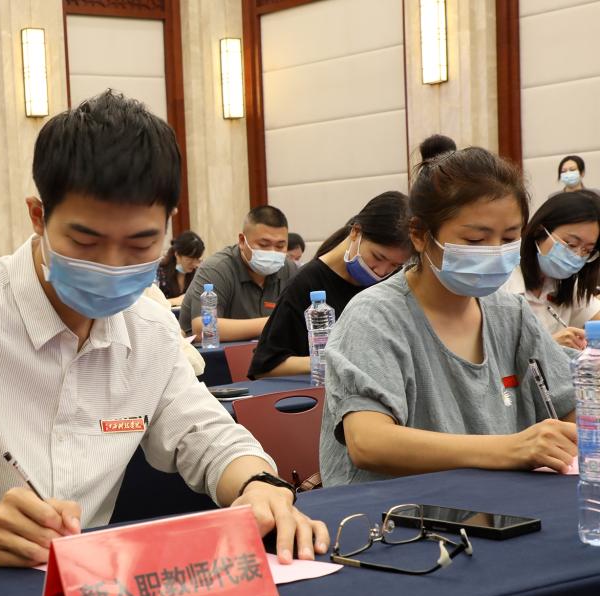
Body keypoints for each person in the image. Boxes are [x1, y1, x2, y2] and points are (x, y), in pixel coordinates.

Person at [0, 90, 328, 567]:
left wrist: (258, 485)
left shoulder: (150, 328)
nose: (112, 264)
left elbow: (206, 434)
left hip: (79, 590)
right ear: (38, 215)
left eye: (140, 244)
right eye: (86, 242)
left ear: (167, 226)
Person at [319, 147, 578, 488]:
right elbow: (368, 442)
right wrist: (512, 449)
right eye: (475, 239)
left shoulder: (511, 315)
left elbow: (570, 407)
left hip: (498, 505)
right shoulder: (375, 316)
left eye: (509, 238)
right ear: (419, 235)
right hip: (401, 514)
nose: (495, 252)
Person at [248, 191, 412, 378]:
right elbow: (265, 368)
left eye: (394, 265)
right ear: (356, 232)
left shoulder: (396, 283)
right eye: (378, 257)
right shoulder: (307, 284)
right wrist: (330, 360)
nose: (381, 272)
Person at [178, 206, 299, 341]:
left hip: (265, 351)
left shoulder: (288, 269)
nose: (272, 252)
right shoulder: (216, 268)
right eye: (264, 244)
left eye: (280, 246)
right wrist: (273, 322)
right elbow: (204, 328)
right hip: (211, 352)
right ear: (242, 241)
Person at [502, 191, 600, 350]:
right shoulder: (501, 280)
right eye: (571, 244)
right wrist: (549, 345)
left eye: (587, 250)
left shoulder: (565, 284)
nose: (577, 256)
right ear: (540, 230)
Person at [156, 230, 204, 304]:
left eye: (197, 259)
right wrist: (176, 301)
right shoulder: (159, 273)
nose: (195, 264)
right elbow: (152, 303)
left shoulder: (198, 273)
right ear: (177, 255)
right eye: (190, 259)